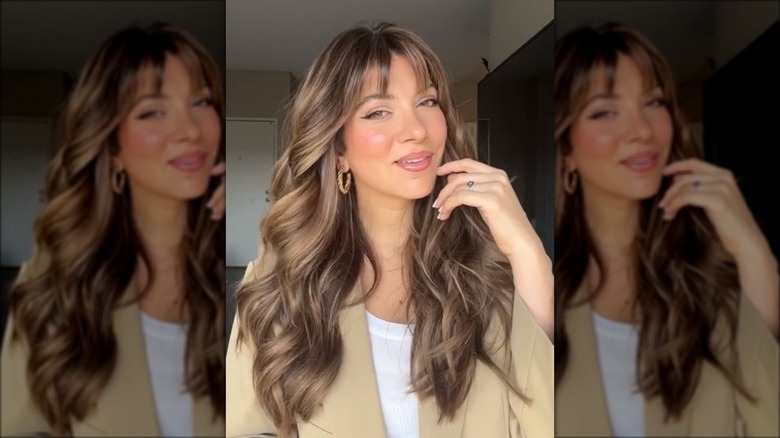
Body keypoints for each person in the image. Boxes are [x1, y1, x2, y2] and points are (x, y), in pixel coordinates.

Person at [226, 22, 553, 438]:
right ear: (338, 148)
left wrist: (527, 252)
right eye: (378, 111)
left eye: (427, 101)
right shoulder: (281, 287)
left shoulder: (491, 279)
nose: (416, 130)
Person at [553, 22, 779, 437]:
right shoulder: (544, 295)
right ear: (566, 149)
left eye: (653, 102)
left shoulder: (713, 285)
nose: (641, 130)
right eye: (605, 111)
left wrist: (754, 251)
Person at [1, 23, 226, 437]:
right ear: (113, 148)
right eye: (153, 111)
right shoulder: (54, 284)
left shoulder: (228, 269)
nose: (190, 131)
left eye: (201, 102)